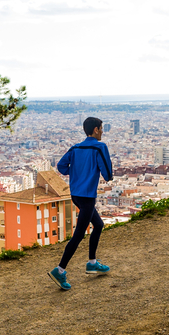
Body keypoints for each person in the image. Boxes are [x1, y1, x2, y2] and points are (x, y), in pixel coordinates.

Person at [49, 116, 113, 290]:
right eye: (101, 128)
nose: (102, 131)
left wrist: (77, 171)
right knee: (78, 234)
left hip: (75, 194)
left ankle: (92, 262)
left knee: (98, 225)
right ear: (96, 130)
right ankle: (60, 270)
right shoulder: (100, 147)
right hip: (87, 195)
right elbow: (107, 173)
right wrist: (102, 174)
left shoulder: (76, 148)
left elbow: (61, 166)